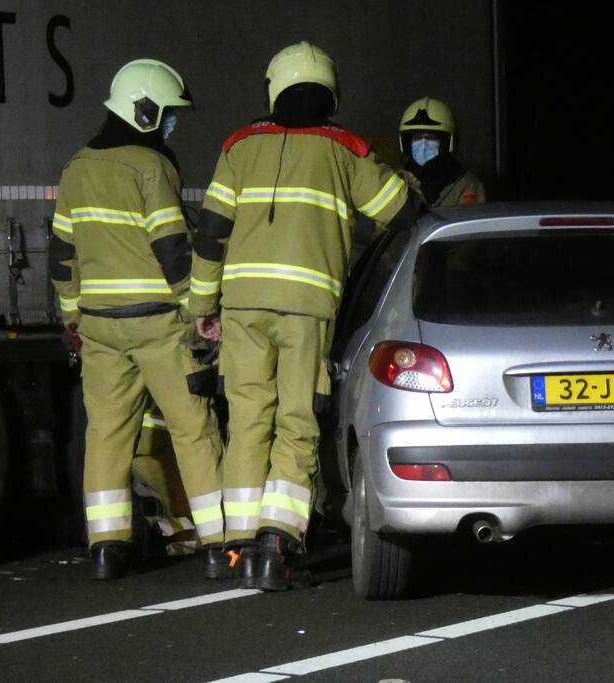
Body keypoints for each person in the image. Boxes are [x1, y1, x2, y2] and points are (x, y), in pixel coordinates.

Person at [189, 41, 418, 591]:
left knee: (246, 420)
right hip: (307, 310)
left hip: (242, 306)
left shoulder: (238, 148)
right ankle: (276, 545)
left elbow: (212, 232)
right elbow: (402, 214)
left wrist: (201, 306)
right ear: (330, 94)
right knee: (296, 421)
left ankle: (234, 548)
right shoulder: (345, 150)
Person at [49, 59, 226, 580]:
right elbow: (173, 247)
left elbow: (62, 253)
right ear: (145, 111)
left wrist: (71, 316)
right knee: (193, 428)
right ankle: (219, 543)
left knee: (105, 434)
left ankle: (107, 546)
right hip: (158, 326)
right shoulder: (152, 166)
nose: (172, 125)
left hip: (100, 327)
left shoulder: (76, 167)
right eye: (168, 115)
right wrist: (201, 309)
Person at [399, 96, 485, 207]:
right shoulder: (397, 182)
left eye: (430, 138)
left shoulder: (467, 186)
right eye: (417, 138)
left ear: (446, 142)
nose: (423, 144)